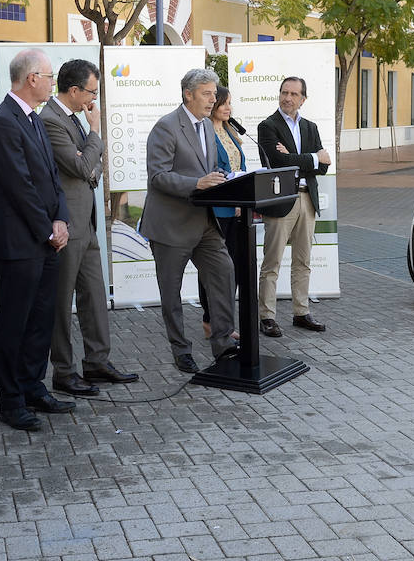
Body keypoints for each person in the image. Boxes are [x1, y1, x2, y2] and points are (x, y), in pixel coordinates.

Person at [0, 49, 72, 431]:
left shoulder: (32, 119)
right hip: (19, 244)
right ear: (32, 78)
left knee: (41, 319)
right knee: (14, 323)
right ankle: (11, 400)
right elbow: (19, 185)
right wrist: (47, 228)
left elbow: (51, 179)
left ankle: (34, 386)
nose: (53, 83)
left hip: (45, 238)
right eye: (50, 76)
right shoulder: (4, 122)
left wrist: (61, 219)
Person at [39, 59, 139, 397]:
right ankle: (63, 371)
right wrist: (95, 131)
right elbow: (82, 164)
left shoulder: (72, 119)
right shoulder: (51, 121)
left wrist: (88, 150)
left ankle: (97, 361)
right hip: (66, 224)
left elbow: (88, 168)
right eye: (92, 92)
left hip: (88, 223)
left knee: (94, 295)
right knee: (61, 301)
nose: (93, 99)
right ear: (74, 90)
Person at [139, 68, 241, 373]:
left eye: (214, 93)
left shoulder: (209, 127)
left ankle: (223, 342)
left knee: (224, 273)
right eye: (207, 94)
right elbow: (158, 177)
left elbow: (207, 172)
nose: (213, 99)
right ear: (188, 94)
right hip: (170, 225)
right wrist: (196, 184)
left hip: (204, 222)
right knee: (171, 294)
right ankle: (181, 350)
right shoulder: (166, 127)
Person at [256, 76, 331, 336]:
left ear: (303, 99)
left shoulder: (310, 127)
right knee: (272, 261)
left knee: (303, 260)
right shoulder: (268, 126)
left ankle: (301, 312)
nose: (287, 98)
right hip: (281, 201)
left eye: (293, 94)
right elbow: (277, 162)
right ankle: (266, 316)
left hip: (307, 199)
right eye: (284, 92)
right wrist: (308, 157)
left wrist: (293, 157)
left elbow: (323, 165)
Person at [197, 85, 247, 340]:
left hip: (238, 210)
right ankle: (210, 320)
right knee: (213, 269)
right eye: (224, 103)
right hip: (218, 210)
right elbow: (212, 168)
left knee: (234, 269)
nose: (228, 108)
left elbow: (241, 164)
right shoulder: (205, 132)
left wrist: (243, 195)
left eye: (229, 103)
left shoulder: (230, 131)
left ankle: (223, 320)